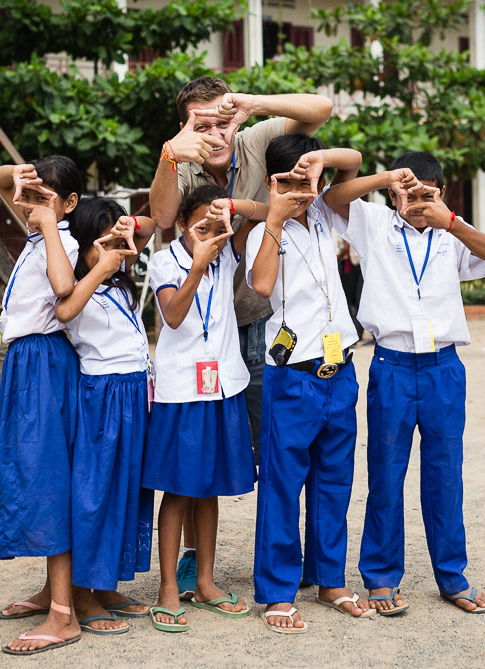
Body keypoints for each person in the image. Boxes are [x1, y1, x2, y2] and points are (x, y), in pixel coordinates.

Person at [149, 76, 333, 596]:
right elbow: (162, 217)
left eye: (222, 120)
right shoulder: (179, 159)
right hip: (202, 335)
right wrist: (169, 154)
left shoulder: (251, 137)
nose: (214, 132)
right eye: (200, 123)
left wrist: (251, 105)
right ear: (185, 124)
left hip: (260, 317)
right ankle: (192, 563)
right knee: (197, 462)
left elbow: (321, 108)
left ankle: (284, 559)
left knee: (273, 446)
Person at [324, 151, 485, 615]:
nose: (419, 201)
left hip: (444, 368)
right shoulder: (375, 223)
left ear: (443, 194)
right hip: (393, 366)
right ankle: (381, 576)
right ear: (392, 193)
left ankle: (452, 575)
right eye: (410, 192)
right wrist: (387, 180)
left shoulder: (452, 232)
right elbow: (332, 195)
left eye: (429, 193)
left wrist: (453, 221)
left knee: (445, 475)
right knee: (386, 472)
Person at [245, 133, 374, 634]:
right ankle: (279, 592)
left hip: (339, 371)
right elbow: (260, 286)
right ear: (272, 180)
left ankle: (329, 579)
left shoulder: (326, 213)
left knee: (334, 481)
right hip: (292, 374)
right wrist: (274, 214)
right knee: (282, 484)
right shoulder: (262, 230)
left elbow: (355, 162)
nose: (302, 188)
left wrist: (319, 163)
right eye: (291, 179)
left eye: (309, 178)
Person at [142, 186, 260, 632]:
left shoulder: (226, 253)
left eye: (218, 229)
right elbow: (173, 315)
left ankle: (207, 582)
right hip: (182, 391)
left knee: (208, 488)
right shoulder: (164, 261)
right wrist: (197, 263)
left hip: (223, 384)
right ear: (184, 224)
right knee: (177, 489)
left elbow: (267, 212)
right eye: (201, 227)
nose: (211, 235)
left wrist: (233, 213)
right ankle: (168, 588)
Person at [0, 156, 85, 655]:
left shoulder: (63, 240)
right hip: (26, 363)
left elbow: (66, 290)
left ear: (68, 204)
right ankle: (53, 591)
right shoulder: (34, 232)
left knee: (47, 480)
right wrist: (22, 178)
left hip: (46, 365)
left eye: (49, 197)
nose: (31, 204)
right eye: (32, 195)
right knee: (29, 473)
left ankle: (63, 616)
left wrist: (48, 219)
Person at [54, 197, 157, 635]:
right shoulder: (78, 286)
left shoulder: (119, 285)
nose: (114, 250)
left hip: (135, 394)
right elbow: (64, 312)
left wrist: (124, 231)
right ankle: (81, 592)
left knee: (127, 492)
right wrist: (98, 263)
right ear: (81, 247)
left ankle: (106, 585)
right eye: (102, 242)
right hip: (103, 397)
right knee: (96, 494)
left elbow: (150, 225)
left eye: (118, 241)